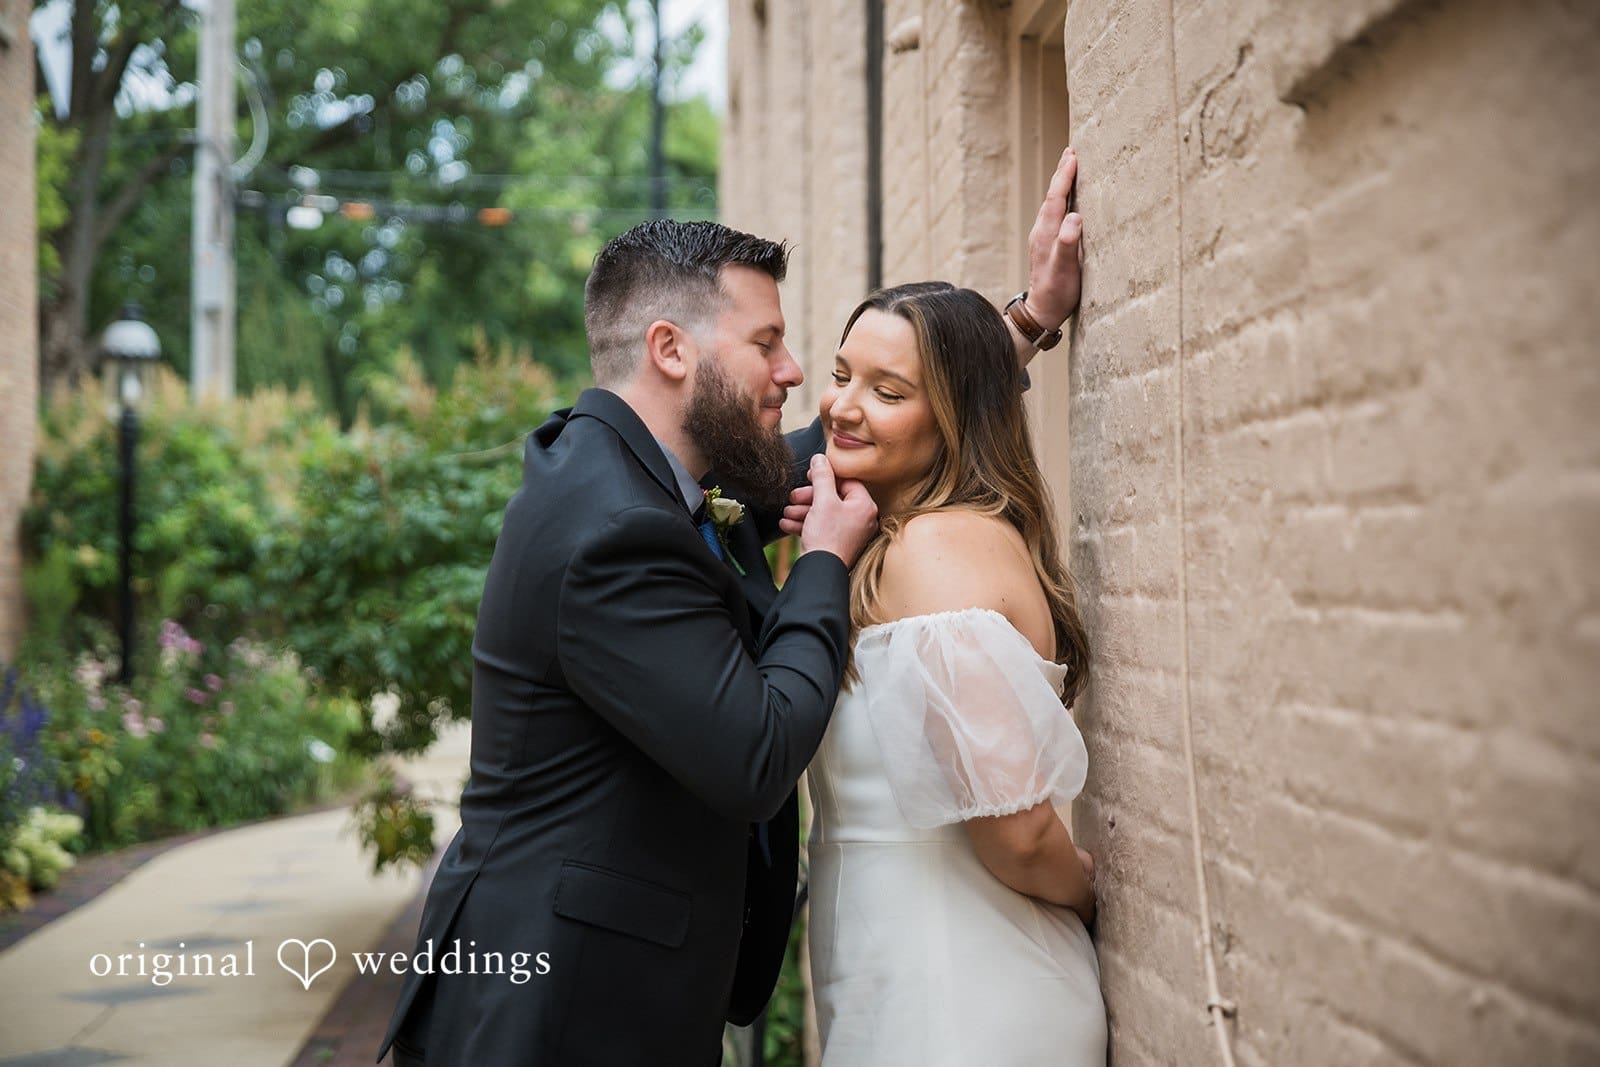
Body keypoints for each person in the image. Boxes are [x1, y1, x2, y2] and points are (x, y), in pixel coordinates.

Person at [376, 220, 880, 1066]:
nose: (795, 374)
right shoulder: (613, 533)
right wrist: (825, 560)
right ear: (671, 349)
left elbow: (778, 471)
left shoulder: (612, 462)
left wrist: (1007, 334)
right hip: (560, 1014)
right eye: (767, 343)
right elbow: (757, 752)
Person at [788, 278, 1107, 1065]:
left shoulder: (935, 549)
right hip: (897, 995)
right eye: (841, 375)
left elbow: (1022, 833)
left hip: (969, 1005)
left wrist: (1090, 889)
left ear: (956, 418)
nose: (842, 406)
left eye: (888, 390)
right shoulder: (889, 548)